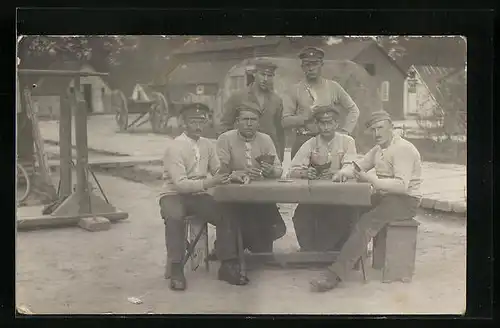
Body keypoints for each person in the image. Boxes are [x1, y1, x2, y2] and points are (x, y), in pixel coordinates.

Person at [309, 110, 423, 292]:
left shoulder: (403, 149)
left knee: (365, 223)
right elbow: (359, 165)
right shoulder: (379, 149)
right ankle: (346, 258)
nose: (376, 133)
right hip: (385, 197)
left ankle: (334, 275)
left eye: (381, 128)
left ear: (391, 128)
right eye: (373, 129)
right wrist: (343, 173)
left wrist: (371, 180)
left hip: (405, 201)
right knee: (349, 210)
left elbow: (402, 186)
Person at [159, 102, 249, 291]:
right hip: (173, 194)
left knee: (226, 214)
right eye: (193, 121)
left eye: (202, 121)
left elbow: (216, 169)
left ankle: (227, 264)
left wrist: (232, 174)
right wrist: (211, 182)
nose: (198, 126)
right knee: (175, 218)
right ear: (183, 123)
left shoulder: (207, 144)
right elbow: (181, 184)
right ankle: (176, 269)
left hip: (197, 194)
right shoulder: (175, 147)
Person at [216, 101, 287, 253]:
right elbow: (219, 170)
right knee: (238, 213)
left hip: (260, 196)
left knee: (263, 217)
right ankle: (235, 246)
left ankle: (256, 246)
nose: (249, 124)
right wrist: (233, 174)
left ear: (258, 122)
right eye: (245, 120)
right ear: (237, 122)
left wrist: (269, 171)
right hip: (234, 195)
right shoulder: (225, 139)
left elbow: (279, 169)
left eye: (253, 120)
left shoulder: (265, 139)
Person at [289, 104, 358, 252]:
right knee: (302, 216)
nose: (326, 127)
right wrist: (306, 173)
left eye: (330, 122)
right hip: (316, 195)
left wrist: (338, 174)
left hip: (340, 194)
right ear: (317, 124)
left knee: (342, 215)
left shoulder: (347, 142)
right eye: (322, 123)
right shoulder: (310, 143)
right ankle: (310, 250)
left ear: (336, 124)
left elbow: (350, 167)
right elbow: (292, 170)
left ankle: (335, 250)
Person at [282, 46, 360, 157]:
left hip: (328, 141)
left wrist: (345, 131)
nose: (311, 68)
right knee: (299, 172)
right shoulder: (294, 90)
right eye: (307, 65)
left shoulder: (333, 87)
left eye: (315, 64)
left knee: (329, 172)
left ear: (321, 65)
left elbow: (354, 110)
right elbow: (285, 121)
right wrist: (305, 118)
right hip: (303, 140)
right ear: (302, 67)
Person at [219, 58, 285, 160]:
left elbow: (279, 131)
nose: (266, 79)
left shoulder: (276, 100)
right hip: (242, 152)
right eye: (262, 74)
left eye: (270, 76)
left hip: (267, 154)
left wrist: (279, 157)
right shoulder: (238, 97)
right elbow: (224, 126)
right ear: (254, 74)